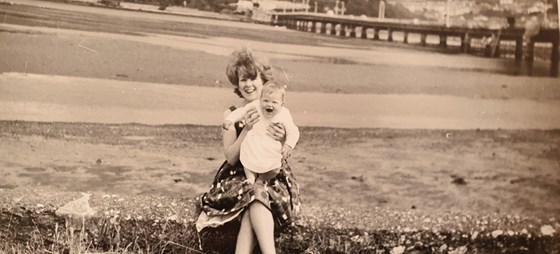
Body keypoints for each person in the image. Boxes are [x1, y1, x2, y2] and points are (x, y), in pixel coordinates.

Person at [196, 47, 301, 254]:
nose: (249, 84)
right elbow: (231, 157)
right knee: (254, 194)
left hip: (272, 174)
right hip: (239, 174)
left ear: (264, 82)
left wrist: (282, 141)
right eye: (243, 79)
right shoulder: (232, 113)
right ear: (237, 83)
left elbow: (284, 146)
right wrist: (246, 130)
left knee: (256, 196)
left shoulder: (275, 112)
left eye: (254, 79)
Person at [223, 81, 300, 184]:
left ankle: (261, 180)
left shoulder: (284, 114)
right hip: (254, 146)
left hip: (270, 150)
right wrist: (230, 120)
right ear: (260, 100)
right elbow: (240, 112)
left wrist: (289, 144)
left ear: (282, 104)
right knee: (247, 162)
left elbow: (293, 130)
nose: (269, 105)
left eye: (274, 102)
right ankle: (250, 178)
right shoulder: (255, 106)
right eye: (265, 101)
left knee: (275, 168)